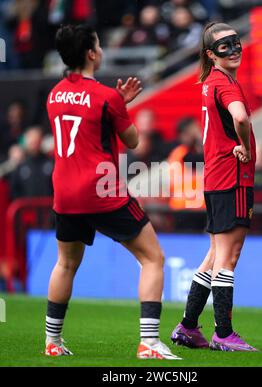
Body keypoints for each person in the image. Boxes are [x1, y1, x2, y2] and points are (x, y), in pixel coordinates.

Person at [45, 24, 180, 360]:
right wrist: (120, 105)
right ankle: (149, 343)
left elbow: (83, 126)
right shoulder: (106, 97)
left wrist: (115, 105)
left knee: (65, 263)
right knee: (153, 258)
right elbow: (133, 141)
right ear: (91, 53)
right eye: (99, 45)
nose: (102, 50)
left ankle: (52, 341)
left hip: (64, 192)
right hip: (101, 189)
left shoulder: (54, 94)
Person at [171, 22, 257, 351]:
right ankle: (224, 333)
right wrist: (246, 147)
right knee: (228, 257)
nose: (234, 49)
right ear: (211, 54)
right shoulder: (226, 85)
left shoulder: (210, 82)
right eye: (225, 46)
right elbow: (241, 118)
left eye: (236, 42)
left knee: (214, 255)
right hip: (232, 177)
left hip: (216, 177)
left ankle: (188, 327)